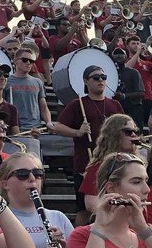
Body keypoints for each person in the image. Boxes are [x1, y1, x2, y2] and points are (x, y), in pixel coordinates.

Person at [53, 65, 124, 212]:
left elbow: (125, 126)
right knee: (84, 210)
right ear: (86, 81)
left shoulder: (115, 104)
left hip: (112, 162)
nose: (101, 80)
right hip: (85, 161)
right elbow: (58, 127)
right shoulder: (77, 104)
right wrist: (77, 132)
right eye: (96, 78)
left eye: (103, 77)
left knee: (114, 207)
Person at [80, 115, 143, 215]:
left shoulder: (138, 164)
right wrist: (120, 208)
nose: (133, 135)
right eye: (128, 132)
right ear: (114, 134)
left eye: (135, 131)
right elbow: (90, 203)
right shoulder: (98, 166)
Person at [5, 46, 51, 136]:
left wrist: (48, 122)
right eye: (25, 60)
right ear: (15, 61)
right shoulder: (6, 82)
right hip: (15, 129)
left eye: (31, 61)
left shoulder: (37, 82)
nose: (28, 63)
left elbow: (44, 107)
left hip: (35, 129)